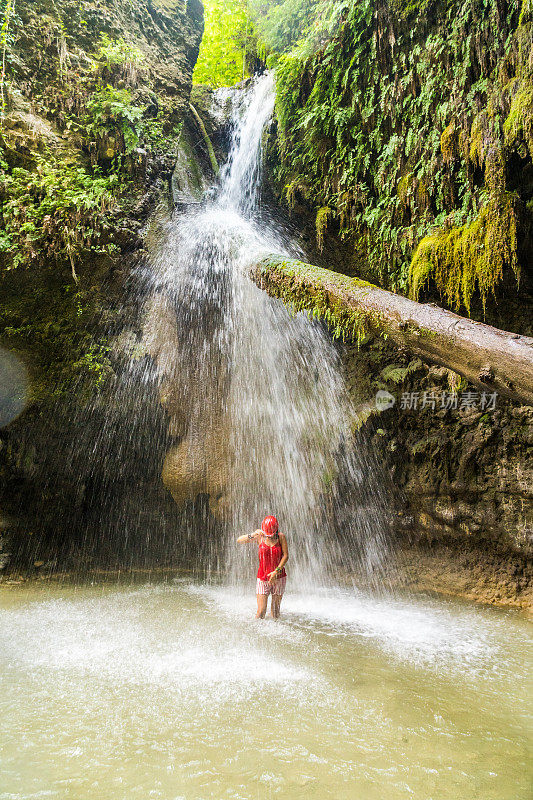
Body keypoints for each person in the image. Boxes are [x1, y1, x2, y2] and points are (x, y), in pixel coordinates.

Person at [237, 515, 288, 619]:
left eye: (271, 534)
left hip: (279, 577)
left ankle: (275, 633)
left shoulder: (281, 537)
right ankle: (254, 633)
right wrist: (253, 534)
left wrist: (276, 572)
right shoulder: (259, 536)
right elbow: (239, 540)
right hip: (262, 578)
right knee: (261, 612)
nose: (269, 536)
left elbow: (286, 556)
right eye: (267, 534)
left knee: (275, 612)